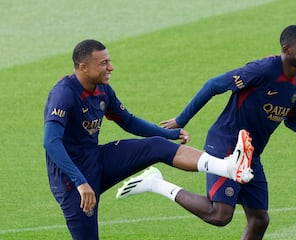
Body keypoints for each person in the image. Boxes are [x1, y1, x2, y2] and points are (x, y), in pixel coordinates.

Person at [116, 25, 296, 239]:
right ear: (286, 50)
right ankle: (155, 183)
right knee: (220, 215)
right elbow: (214, 85)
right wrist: (181, 119)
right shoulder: (262, 70)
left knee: (259, 219)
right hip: (226, 143)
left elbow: (294, 121)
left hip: (250, 154)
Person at [43, 39, 255, 240]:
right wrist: (80, 182)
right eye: (104, 63)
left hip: (97, 160)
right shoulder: (64, 94)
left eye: (109, 61)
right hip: (70, 180)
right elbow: (51, 142)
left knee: (157, 146)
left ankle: (227, 168)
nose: (111, 67)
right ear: (83, 67)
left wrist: (169, 134)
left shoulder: (102, 90)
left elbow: (128, 121)